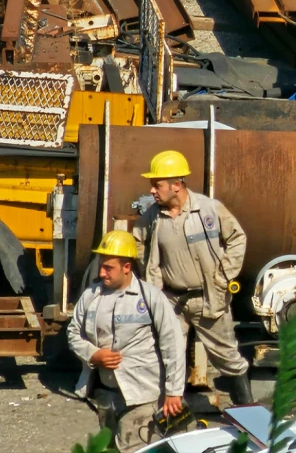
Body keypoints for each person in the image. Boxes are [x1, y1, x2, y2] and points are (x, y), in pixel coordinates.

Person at [132, 150, 253, 405]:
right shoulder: (153, 216)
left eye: (157, 185)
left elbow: (237, 238)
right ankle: (173, 413)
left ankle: (247, 409)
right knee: (170, 355)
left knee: (227, 357)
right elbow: (138, 241)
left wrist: (224, 276)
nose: (152, 191)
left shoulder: (208, 209)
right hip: (171, 300)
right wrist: (150, 272)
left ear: (176, 185)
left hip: (207, 299)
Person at [68, 230, 185, 453]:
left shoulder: (150, 297)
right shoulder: (91, 296)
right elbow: (73, 332)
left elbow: (173, 345)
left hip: (142, 396)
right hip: (105, 394)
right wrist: (93, 354)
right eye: (100, 266)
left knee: (133, 449)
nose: (101, 273)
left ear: (127, 267)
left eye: (108, 268)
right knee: (109, 448)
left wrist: (173, 391)